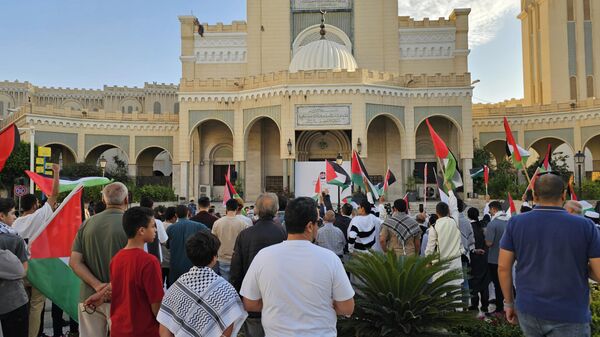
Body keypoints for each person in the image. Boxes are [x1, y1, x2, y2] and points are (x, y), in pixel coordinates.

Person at [499, 173, 600, 336]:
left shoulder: (515, 223)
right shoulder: (586, 226)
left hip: (529, 310)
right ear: (563, 194)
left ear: (535, 196)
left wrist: (509, 303)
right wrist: (579, 266)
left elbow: (503, 267)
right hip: (570, 313)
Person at [240, 197, 354, 337]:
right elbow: (347, 307)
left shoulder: (263, 256)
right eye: (318, 223)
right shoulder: (330, 259)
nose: (318, 227)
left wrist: (277, 305)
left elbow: (250, 303)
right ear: (310, 226)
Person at [158, 231, 247, 337]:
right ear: (214, 258)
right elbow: (227, 328)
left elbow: (164, 331)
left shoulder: (176, 288)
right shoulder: (225, 290)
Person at [70, 182, 129, 337]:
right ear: (126, 200)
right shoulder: (132, 225)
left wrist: (98, 286)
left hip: (89, 296)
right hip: (123, 297)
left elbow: (75, 262)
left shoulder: (87, 224)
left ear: (104, 200)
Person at [12, 164, 59, 337]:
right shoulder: (39, 216)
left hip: (19, 269)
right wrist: (56, 173)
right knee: (37, 306)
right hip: (39, 268)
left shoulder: (14, 223)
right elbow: (54, 195)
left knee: (22, 306)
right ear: (34, 205)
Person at [230, 193, 286, 337]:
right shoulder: (283, 233)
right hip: (278, 300)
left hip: (251, 299)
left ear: (256, 210)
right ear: (276, 209)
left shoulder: (245, 234)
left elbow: (236, 270)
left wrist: (238, 298)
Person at [107, 207, 164, 337]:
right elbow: (156, 304)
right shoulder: (149, 262)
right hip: (144, 330)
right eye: (152, 226)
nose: (155, 230)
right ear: (141, 231)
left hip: (119, 328)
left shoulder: (116, 259)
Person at [0, 198, 29, 337]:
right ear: (1, 215)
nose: (15, 216)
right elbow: (23, 270)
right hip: (13, 301)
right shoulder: (15, 239)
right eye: (12, 213)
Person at [166, 205, 208, 287]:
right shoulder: (199, 226)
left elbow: (168, 246)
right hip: (193, 266)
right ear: (188, 213)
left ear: (176, 215)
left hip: (175, 266)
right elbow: (209, 236)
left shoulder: (170, 228)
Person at [212, 199, 250, 282]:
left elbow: (213, 241)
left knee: (223, 283)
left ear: (226, 208)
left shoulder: (217, 223)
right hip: (237, 259)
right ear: (237, 208)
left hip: (221, 258)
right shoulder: (243, 224)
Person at [425, 202, 463, 286]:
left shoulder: (434, 227)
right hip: (455, 263)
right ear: (448, 211)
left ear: (436, 212)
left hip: (441, 265)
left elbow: (430, 249)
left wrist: (428, 262)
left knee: (441, 294)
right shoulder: (455, 222)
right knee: (455, 294)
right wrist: (450, 191)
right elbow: (455, 209)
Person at [485, 200, 509, 314]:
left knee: (497, 284)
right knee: (508, 282)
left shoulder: (492, 224)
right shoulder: (509, 221)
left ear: (494, 209)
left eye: (490, 210)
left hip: (494, 258)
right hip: (508, 258)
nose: (489, 212)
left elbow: (489, 243)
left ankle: (499, 308)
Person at [467, 208, 490, 314]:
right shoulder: (483, 227)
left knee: (473, 282)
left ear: (468, 215)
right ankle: (485, 304)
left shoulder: (469, 227)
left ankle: (474, 304)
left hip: (473, 257)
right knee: (484, 282)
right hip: (484, 257)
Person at [140, 196, 169, 264]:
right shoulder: (157, 222)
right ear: (152, 207)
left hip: (140, 258)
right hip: (155, 259)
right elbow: (163, 240)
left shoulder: (136, 222)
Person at [160, 206, 177, 286]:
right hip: (172, 262)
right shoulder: (175, 227)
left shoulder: (160, 225)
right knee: (171, 286)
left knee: (160, 284)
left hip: (161, 261)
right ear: (174, 217)